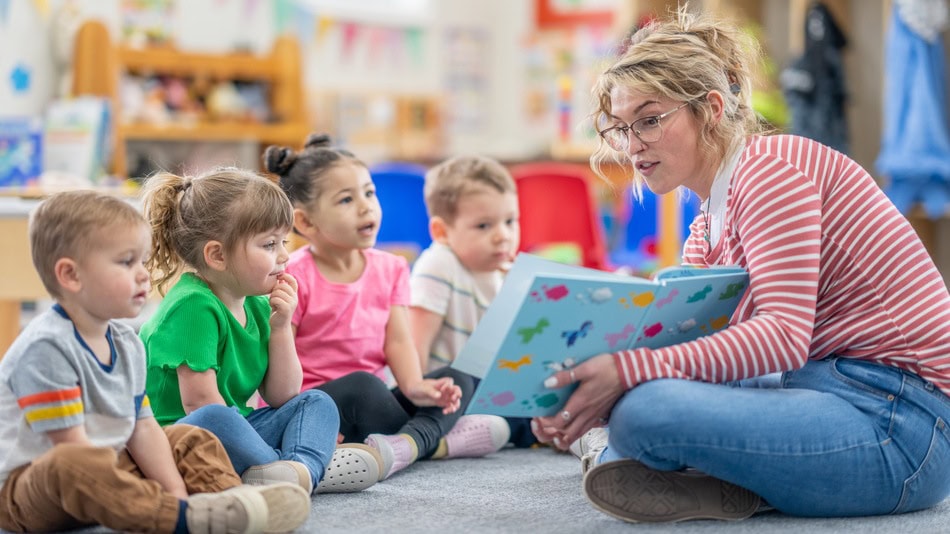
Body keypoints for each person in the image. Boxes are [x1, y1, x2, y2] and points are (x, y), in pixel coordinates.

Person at [533, 7, 950, 524]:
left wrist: (626, 373)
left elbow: (782, 337)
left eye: (649, 119)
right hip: (817, 389)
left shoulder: (770, 171)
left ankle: (660, 462)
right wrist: (584, 385)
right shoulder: (707, 222)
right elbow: (692, 348)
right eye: (620, 127)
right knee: (633, 400)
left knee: (646, 411)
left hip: (903, 424)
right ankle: (718, 479)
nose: (632, 144)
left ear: (709, 108)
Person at [0, 190, 310, 533]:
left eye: (142, 261)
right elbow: (74, 450)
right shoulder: (46, 348)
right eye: (125, 262)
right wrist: (173, 508)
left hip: (109, 467)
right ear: (71, 276)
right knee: (72, 462)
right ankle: (180, 520)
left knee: (191, 438)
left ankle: (231, 504)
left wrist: (178, 492)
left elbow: (143, 427)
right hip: (29, 491)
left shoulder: (125, 342)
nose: (143, 275)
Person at [264, 134, 510, 480]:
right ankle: (438, 441)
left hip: (376, 404)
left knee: (459, 377)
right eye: (346, 200)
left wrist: (414, 386)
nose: (366, 207)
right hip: (317, 406)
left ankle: (405, 445)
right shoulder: (292, 276)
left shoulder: (391, 268)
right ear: (305, 223)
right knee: (364, 386)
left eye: (369, 193)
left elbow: (398, 341)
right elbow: (276, 359)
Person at [139, 167, 381, 496]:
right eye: (269, 244)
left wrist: (281, 327)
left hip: (239, 429)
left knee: (316, 402)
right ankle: (293, 469)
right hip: (181, 438)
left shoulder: (254, 302)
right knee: (215, 416)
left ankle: (298, 470)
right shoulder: (192, 306)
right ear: (218, 255)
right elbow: (199, 403)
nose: (284, 255)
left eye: (283, 241)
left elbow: (283, 395)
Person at [408, 155, 536, 448]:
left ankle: (563, 432)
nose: (502, 236)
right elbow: (416, 343)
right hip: (446, 394)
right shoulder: (439, 263)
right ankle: (452, 437)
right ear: (441, 232)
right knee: (463, 380)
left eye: (510, 221)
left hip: (488, 390)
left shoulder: (505, 273)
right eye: (483, 226)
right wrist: (418, 391)